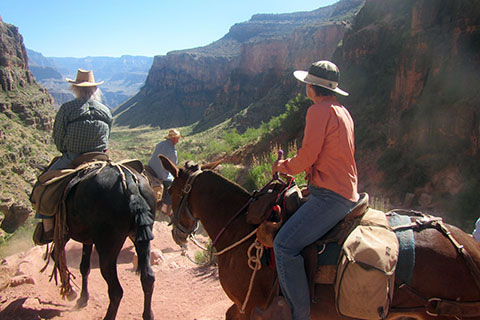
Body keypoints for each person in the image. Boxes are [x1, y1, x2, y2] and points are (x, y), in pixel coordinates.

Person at [271, 60, 359, 320]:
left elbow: (307, 156)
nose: (305, 87)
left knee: (284, 246)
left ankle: (300, 315)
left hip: (330, 196)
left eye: (307, 83)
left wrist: (283, 167)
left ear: (312, 87)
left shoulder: (318, 111)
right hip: (342, 189)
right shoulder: (342, 111)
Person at [34, 69, 112, 245]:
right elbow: (108, 135)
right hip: (101, 158)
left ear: (75, 88)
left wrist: (66, 151)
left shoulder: (67, 108)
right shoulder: (105, 110)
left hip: (73, 158)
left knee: (44, 186)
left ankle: (48, 229)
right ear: (94, 89)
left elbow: (59, 138)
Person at [148, 129, 184, 215]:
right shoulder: (172, 150)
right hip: (160, 173)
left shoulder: (160, 144)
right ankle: (166, 208)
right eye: (177, 138)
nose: (178, 141)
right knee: (172, 185)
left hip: (150, 168)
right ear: (172, 138)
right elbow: (173, 167)